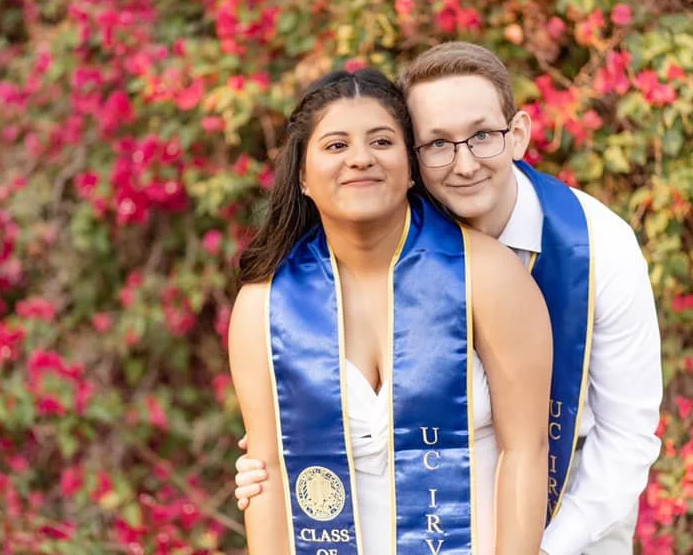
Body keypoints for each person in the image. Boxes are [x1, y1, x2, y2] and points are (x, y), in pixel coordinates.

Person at [233, 43, 663, 555]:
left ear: (517, 134)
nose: (463, 165)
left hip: (573, 526)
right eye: (438, 143)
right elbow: (271, 470)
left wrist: (545, 549)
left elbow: (624, 437)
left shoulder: (594, 249)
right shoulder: (274, 302)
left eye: (481, 136)